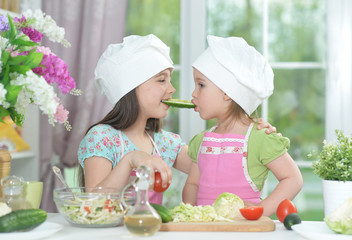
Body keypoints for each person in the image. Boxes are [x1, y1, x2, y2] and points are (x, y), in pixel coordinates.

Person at [77, 34, 277, 205]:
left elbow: (217, 164)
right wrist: (131, 160)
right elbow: (95, 204)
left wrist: (249, 133)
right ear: (131, 87)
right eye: (162, 80)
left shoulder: (164, 143)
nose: (172, 89)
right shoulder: (101, 138)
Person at [182, 35, 303, 216]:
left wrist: (260, 211)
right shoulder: (201, 141)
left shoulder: (260, 137)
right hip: (205, 230)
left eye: (201, 85)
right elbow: (193, 183)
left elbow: (293, 179)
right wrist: (190, 213)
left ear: (227, 92)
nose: (193, 93)